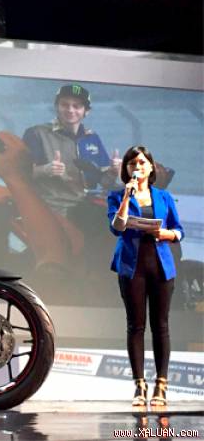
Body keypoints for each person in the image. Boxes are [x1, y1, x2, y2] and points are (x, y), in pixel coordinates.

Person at [107, 146, 184, 406]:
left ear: (151, 167)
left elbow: (179, 230)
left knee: (161, 326)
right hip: (132, 267)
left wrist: (168, 234)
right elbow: (117, 228)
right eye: (131, 164)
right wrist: (126, 198)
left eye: (141, 162)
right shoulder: (116, 196)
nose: (137, 167)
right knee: (135, 326)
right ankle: (139, 386)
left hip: (160, 267)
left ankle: (161, 385)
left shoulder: (163, 196)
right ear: (126, 170)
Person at [22, 84, 121, 217]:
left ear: (87, 111)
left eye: (77, 106)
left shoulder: (92, 137)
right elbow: (20, 173)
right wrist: (45, 170)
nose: (70, 110)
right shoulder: (37, 133)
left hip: (87, 204)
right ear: (56, 107)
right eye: (65, 104)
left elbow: (104, 182)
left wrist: (113, 172)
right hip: (55, 207)